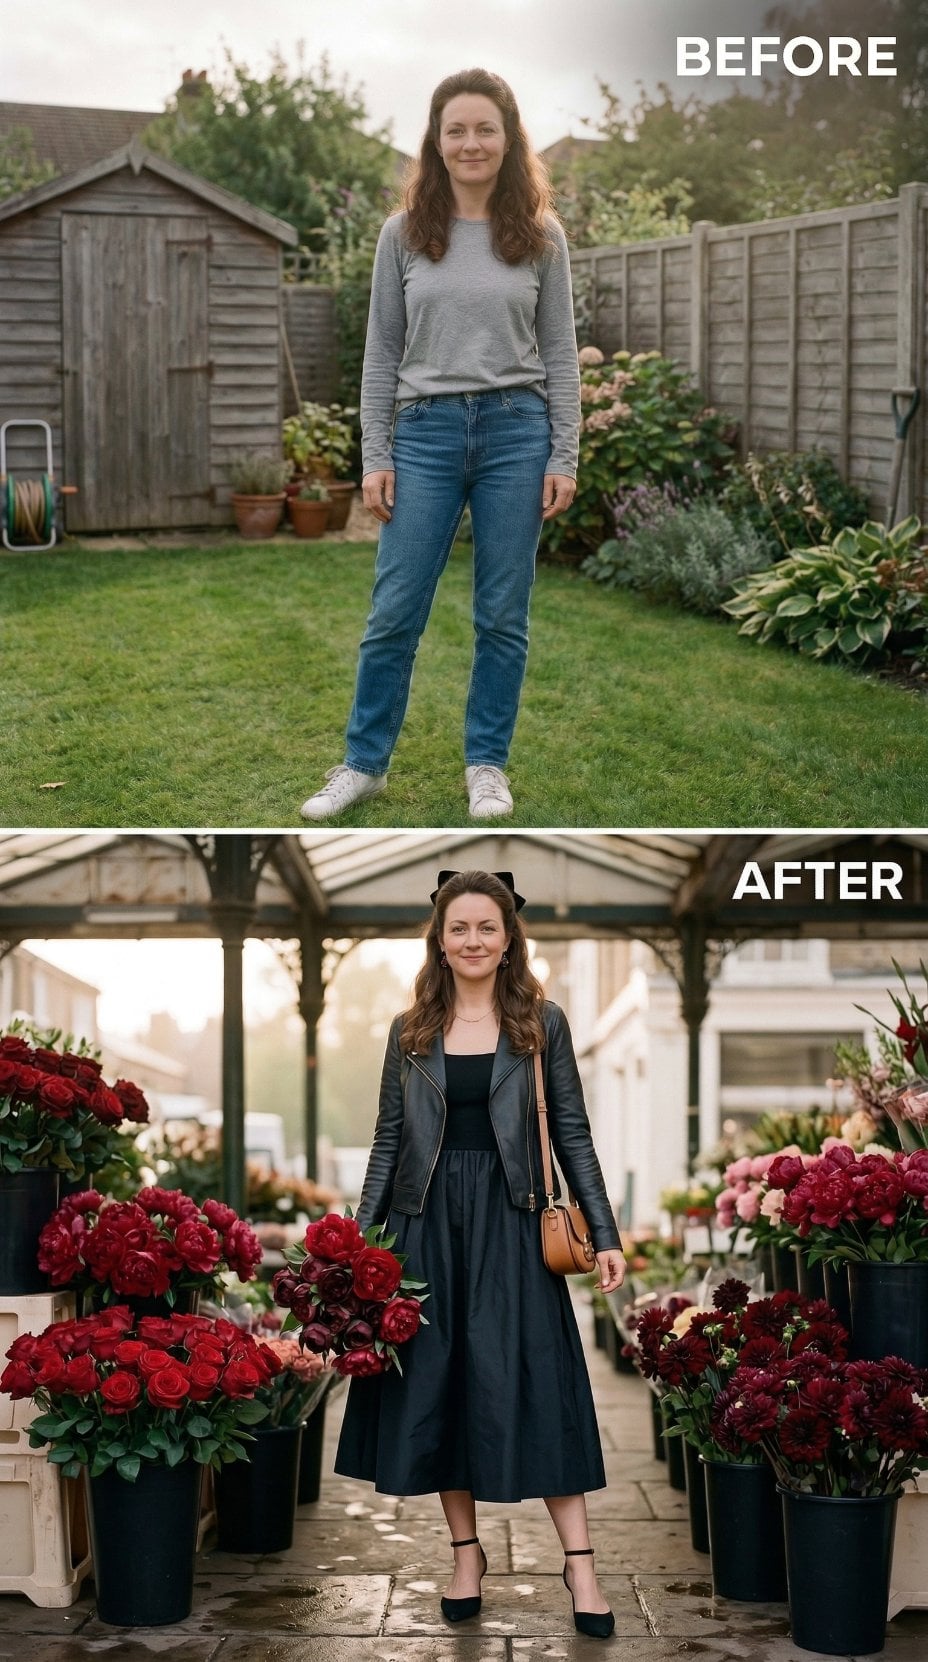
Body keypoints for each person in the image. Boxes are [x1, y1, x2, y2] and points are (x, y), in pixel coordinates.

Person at [333, 869, 625, 1639]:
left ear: (508, 937)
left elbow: (572, 1133)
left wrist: (606, 1232)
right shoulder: (410, 1030)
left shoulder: (541, 1022)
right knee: (441, 1390)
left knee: (542, 1383)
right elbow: (388, 1141)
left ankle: (582, 1566)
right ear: (439, 936)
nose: (472, 940)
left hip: (514, 1223)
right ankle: (467, 1558)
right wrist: (361, 1240)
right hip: (425, 1227)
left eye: (486, 928)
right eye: (458, 927)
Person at [300, 68, 581, 824]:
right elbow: (380, 353)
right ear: (436, 139)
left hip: (516, 434)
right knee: (394, 610)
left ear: (508, 137)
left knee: (502, 614)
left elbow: (559, 354)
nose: (470, 142)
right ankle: (363, 764)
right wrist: (377, 453)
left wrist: (563, 456)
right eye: (455, 129)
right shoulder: (404, 234)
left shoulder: (541, 237)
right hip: (422, 435)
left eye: (485, 128)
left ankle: (486, 765)